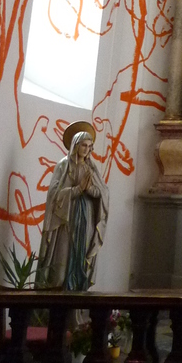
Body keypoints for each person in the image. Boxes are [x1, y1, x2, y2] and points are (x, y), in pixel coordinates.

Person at [35, 121, 109, 290]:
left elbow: (102, 193)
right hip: (65, 218)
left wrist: (89, 190)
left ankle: (77, 294)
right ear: (75, 145)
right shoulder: (64, 165)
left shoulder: (91, 167)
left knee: (80, 258)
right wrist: (77, 190)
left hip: (86, 217)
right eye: (83, 145)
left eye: (90, 146)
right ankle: (55, 294)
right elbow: (54, 194)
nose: (87, 149)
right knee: (61, 263)